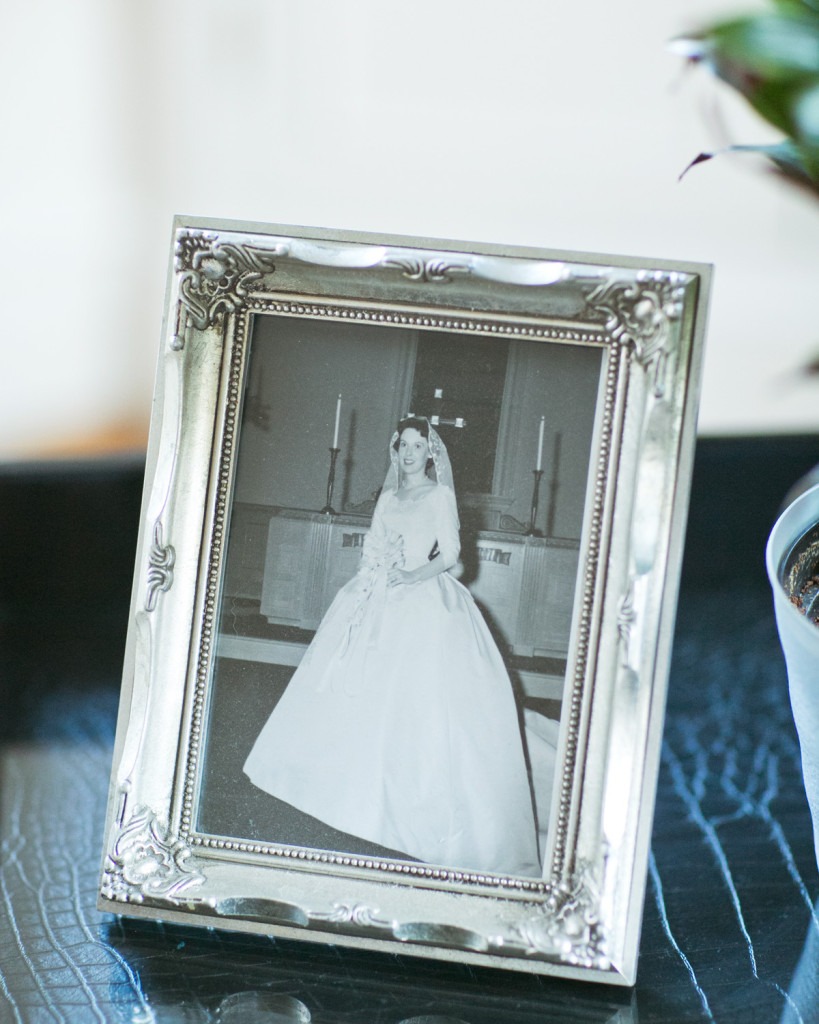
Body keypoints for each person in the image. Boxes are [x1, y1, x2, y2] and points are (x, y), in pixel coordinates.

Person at [243, 416, 542, 878]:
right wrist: (373, 576)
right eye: (403, 444)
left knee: (415, 693)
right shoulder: (388, 497)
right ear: (395, 448)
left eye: (418, 445)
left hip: (424, 593)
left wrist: (409, 576)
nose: (409, 452)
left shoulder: (440, 496)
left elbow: (451, 556)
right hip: (379, 590)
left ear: (430, 453)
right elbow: (373, 546)